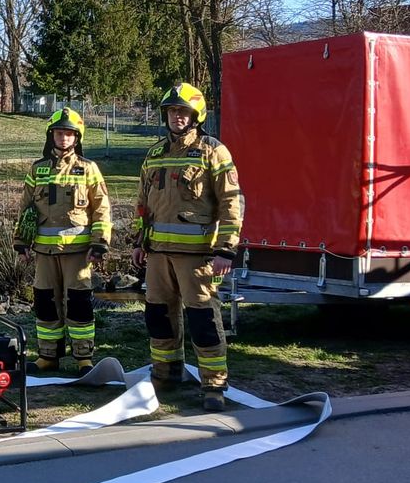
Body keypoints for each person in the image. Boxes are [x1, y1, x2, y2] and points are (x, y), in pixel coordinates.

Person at [130, 82, 244, 410]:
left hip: (198, 256)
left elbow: (231, 202)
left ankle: (213, 385)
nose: (176, 116)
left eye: (183, 111)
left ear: (196, 116)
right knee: (159, 317)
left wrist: (225, 249)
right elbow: (143, 204)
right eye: (171, 111)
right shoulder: (154, 154)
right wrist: (139, 243)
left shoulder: (213, 151)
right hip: (157, 254)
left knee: (203, 320)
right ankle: (165, 375)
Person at [14, 107, 112, 370]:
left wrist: (100, 243)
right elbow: (25, 209)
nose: (63, 137)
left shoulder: (88, 169)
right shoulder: (37, 170)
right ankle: (48, 356)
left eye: (69, 133)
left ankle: (83, 357)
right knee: (45, 303)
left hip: (78, 254)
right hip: (44, 253)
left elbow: (101, 209)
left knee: (79, 304)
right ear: (51, 136)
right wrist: (21, 242)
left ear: (77, 137)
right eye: (59, 133)